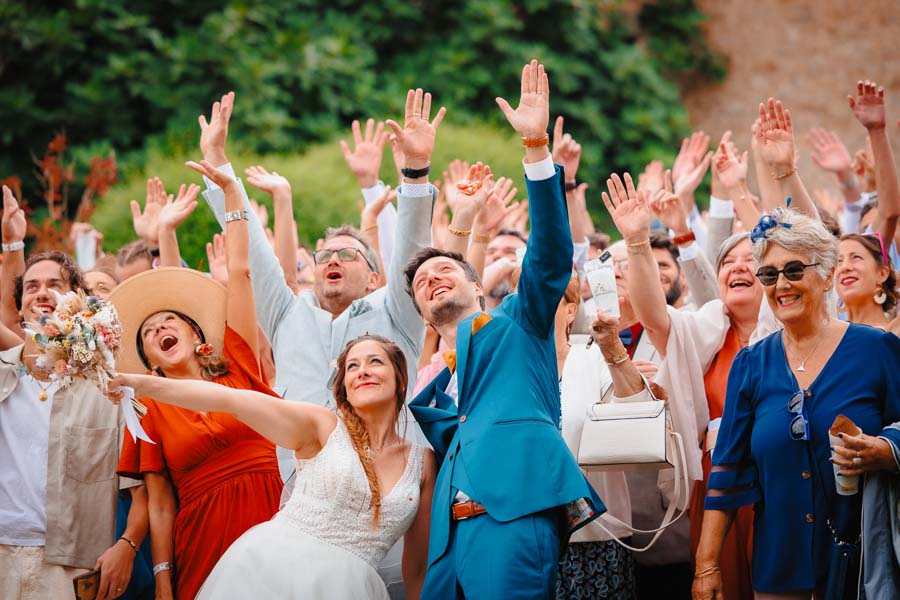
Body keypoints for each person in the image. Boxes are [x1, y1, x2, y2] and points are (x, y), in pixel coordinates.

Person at [406, 59, 604, 598]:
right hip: (448, 543)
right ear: (422, 313)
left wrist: (537, 149)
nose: (433, 279)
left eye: (446, 270)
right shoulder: (429, 385)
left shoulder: (520, 320)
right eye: (422, 281)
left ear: (479, 286)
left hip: (512, 521)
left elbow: (551, 256)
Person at [195, 91, 436, 481]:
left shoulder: (397, 313)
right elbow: (254, 251)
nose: (332, 261)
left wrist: (415, 168)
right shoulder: (288, 314)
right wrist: (220, 163)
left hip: (385, 482)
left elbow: (412, 249)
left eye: (348, 255)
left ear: (374, 277)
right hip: (298, 484)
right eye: (324, 256)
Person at [109, 334, 435, 600]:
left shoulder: (423, 462)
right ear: (344, 388)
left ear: (400, 379)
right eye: (352, 366)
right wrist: (140, 384)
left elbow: (417, 569)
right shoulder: (321, 426)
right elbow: (227, 400)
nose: (362, 371)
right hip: (275, 574)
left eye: (374, 361)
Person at [692, 208, 900, 599]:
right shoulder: (752, 364)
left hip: (865, 570)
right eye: (769, 274)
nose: (780, 285)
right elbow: (727, 471)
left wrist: (887, 451)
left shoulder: (876, 349)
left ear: (825, 275)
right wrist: (707, 566)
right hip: (779, 569)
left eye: (793, 270)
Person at [110, 159, 284, 600]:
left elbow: (242, 274)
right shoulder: (146, 411)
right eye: (148, 333)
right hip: (204, 538)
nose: (159, 330)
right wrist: (164, 580)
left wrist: (232, 195)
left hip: (279, 517)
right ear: (147, 359)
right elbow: (162, 503)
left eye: (169, 321)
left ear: (195, 333)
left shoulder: (240, 366)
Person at [0, 246, 141, 600]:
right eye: (31, 287)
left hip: (70, 564)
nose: (42, 293)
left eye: (55, 284)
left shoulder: (107, 391)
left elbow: (145, 491)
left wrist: (127, 546)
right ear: (18, 306)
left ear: (78, 300)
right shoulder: (2, 372)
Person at [555, 273, 640, 600]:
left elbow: (637, 408)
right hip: (526, 535)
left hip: (596, 537)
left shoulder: (591, 359)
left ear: (571, 310)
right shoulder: (509, 367)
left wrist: (612, 346)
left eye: (548, 294)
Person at [836, 232, 898, 329]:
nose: (844, 267)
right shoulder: (824, 337)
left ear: (882, 274)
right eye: (839, 261)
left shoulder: (894, 337)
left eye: (856, 257)